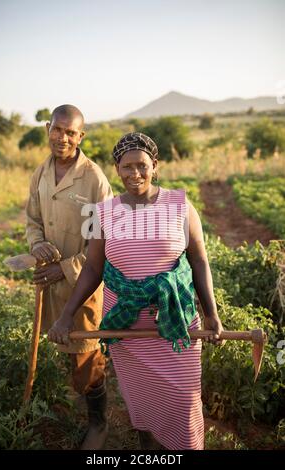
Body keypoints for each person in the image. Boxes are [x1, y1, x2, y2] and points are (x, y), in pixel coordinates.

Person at [48, 132, 224, 450]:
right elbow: (92, 269)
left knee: (184, 402)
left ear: (155, 166)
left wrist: (211, 314)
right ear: (117, 168)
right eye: (126, 167)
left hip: (175, 328)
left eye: (142, 165)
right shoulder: (105, 212)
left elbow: (199, 261)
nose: (135, 174)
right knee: (143, 411)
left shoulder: (180, 206)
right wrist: (65, 316)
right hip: (128, 333)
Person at [26, 104, 113, 450]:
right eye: (57, 130)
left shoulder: (94, 179)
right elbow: (33, 219)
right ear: (48, 128)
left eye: (70, 132)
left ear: (81, 136)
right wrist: (36, 244)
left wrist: (62, 267)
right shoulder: (41, 172)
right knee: (66, 348)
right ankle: (82, 401)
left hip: (83, 283)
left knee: (87, 355)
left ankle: (100, 423)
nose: (62, 138)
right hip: (50, 285)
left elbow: (101, 244)